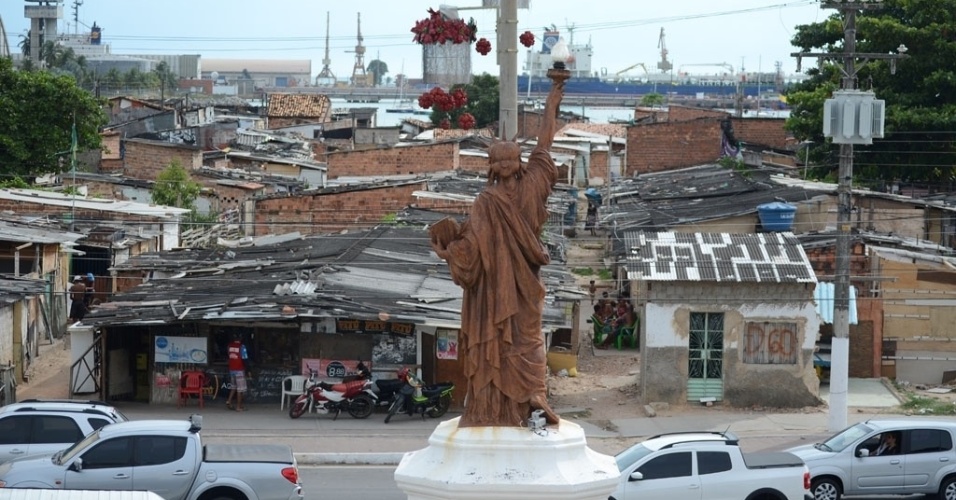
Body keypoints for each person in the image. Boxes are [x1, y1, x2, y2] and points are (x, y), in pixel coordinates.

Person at [429, 65, 568, 428]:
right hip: (516, 292)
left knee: (514, 344)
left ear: (491, 167)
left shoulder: (486, 201)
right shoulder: (527, 185)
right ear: (515, 164)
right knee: (529, 345)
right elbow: (545, 144)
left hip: (503, 295)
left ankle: (515, 404)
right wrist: (554, 97)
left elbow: (469, 253)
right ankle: (522, 403)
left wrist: (449, 250)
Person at [225, 334, 248, 411]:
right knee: (240, 389)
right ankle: (238, 407)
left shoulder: (229, 346)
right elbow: (244, 358)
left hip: (231, 369)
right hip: (239, 370)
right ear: (241, 339)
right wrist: (248, 369)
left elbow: (229, 356)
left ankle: (229, 401)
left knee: (233, 387)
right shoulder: (242, 347)